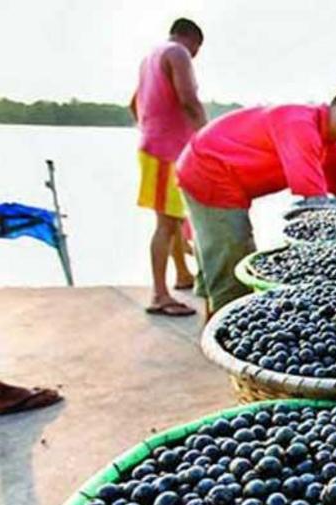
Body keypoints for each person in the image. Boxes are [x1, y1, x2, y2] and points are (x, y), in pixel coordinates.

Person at [176, 79, 336, 316]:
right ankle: (223, 336)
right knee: (233, 261)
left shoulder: (330, 147)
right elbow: (316, 206)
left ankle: (212, 318)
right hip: (208, 169)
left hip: (221, 175)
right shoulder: (300, 126)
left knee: (218, 255)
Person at [131, 17, 208, 316]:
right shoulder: (178, 53)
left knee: (173, 217)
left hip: (153, 146)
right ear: (192, 40)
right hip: (167, 151)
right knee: (165, 225)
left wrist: (151, 127)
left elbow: (133, 103)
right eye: (197, 51)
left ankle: (183, 274)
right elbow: (189, 99)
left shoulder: (150, 57)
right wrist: (208, 138)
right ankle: (159, 296)